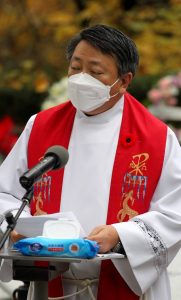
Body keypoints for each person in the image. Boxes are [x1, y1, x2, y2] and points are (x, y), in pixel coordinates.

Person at [0, 24, 181, 300]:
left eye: (96, 72)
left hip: (116, 281)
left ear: (123, 81)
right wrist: (21, 228)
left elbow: (174, 212)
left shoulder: (156, 137)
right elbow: (6, 193)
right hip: (48, 283)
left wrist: (120, 235)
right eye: (75, 68)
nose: (82, 79)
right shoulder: (41, 126)